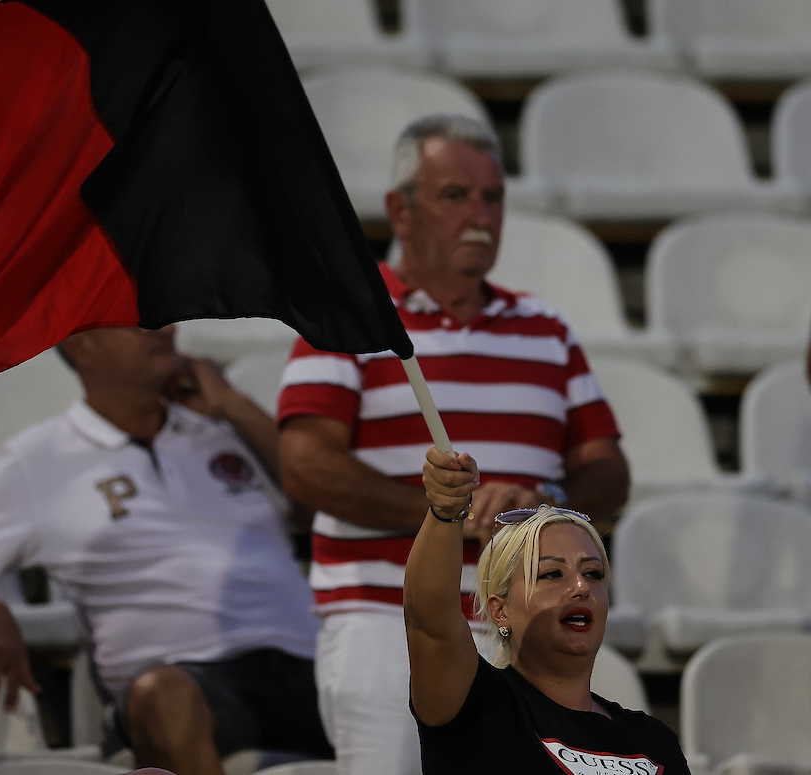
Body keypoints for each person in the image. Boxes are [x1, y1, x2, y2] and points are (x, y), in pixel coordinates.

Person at [276, 113, 630, 774]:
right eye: (455, 196)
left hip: (521, 626)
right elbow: (305, 466)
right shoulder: (349, 319)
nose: (479, 216)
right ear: (399, 210)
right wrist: (445, 515)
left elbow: (609, 471)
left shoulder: (546, 327)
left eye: (492, 198)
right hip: (385, 615)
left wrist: (542, 504)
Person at [0, 325, 332, 775]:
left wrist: (235, 406)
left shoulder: (224, 427)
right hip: (186, 683)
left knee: (381, 673)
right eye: (135, 316)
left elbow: (329, 510)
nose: (163, 326)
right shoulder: (36, 459)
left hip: (311, 663)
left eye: (160, 311)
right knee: (163, 696)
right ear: (79, 343)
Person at [407, 447, 689, 773]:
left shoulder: (654, 740)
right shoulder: (475, 705)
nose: (581, 587)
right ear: (500, 611)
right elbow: (428, 619)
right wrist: (445, 512)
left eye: (593, 573)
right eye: (552, 574)